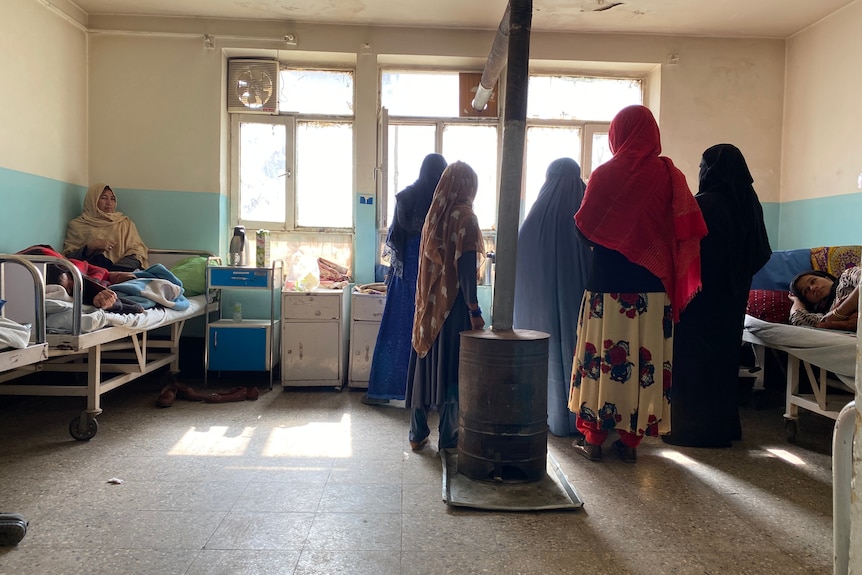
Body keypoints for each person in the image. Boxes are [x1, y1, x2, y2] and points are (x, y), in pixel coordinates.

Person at [568, 104, 708, 463]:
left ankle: (594, 438)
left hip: (606, 288)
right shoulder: (669, 175)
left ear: (618, 133)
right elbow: (684, 232)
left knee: (601, 360)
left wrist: (613, 240)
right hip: (652, 289)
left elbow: (584, 229)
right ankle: (630, 442)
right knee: (644, 365)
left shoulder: (603, 174)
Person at [664, 144, 772, 448]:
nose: (699, 172)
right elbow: (762, 252)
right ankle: (724, 426)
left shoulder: (704, 205)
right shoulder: (749, 204)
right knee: (724, 361)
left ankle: (692, 429)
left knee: (694, 360)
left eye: (702, 166)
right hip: (733, 298)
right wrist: (738, 276)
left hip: (700, 298)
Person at [405, 161, 485, 451]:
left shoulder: (434, 216)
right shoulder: (466, 218)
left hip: (427, 308)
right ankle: (449, 439)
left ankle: (416, 435)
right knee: (452, 371)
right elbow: (465, 270)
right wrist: (474, 310)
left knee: (424, 366)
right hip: (453, 308)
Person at [513, 158, 592, 437]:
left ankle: (543, 412)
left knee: (543, 355)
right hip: (580, 309)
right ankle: (584, 419)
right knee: (577, 353)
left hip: (540, 311)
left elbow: (518, 268)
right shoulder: (587, 217)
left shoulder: (534, 220)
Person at [362, 153, 447, 405]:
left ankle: (383, 390)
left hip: (406, 273)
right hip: (433, 277)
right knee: (431, 331)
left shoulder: (406, 197)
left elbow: (397, 236)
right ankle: (429, 395)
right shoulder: (443, 202)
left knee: (397, 329)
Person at [63, 183, 149, 272]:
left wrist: (116, 271)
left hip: (123, 273)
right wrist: (89, 248)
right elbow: (68, 259)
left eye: (112, 199)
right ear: (93, 200)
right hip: (91, 275)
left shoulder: (125, 224)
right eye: (103, 198)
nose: (109, 203)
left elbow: (138, 251)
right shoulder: (77, 225)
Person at [789, 267, 860, 330]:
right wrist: (797, 300)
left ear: (827, 278)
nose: (812, 288)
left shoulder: (846, 278)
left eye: (813, 281)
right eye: (806, 291)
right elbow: (798, 320)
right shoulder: (824, 315)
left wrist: (838, 314)